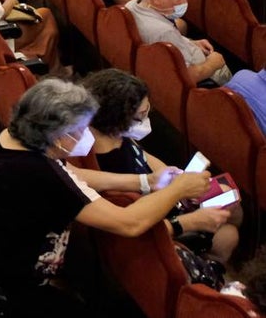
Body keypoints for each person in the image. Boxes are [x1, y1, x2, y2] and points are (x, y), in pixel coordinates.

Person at [0, 78, 213, 318]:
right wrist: (178, 190)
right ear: (59, 138)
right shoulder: (40, 175)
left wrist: (145, 181)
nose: (88, 135)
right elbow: (129, 222)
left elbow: (71, 174)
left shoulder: (13, 137)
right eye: (83, 129)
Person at [82, 69, 240, 265]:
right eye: (141, 115)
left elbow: (143, 156)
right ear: (117, 118)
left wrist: (176, 179)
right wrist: (191, 216)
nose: (146, 119)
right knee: (230, 234)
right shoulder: (111, 165)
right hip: (163, 224)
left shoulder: (114, 137)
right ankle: (201, 263)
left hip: (169, 200)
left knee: (231, 200)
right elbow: (141, 225)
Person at [125, 0, 232, 85]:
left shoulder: (131, 6)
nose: (184, 1)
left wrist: (190, 43)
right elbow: (184, 78)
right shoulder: (164, 32)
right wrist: (212, 64)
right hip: (203, 78)